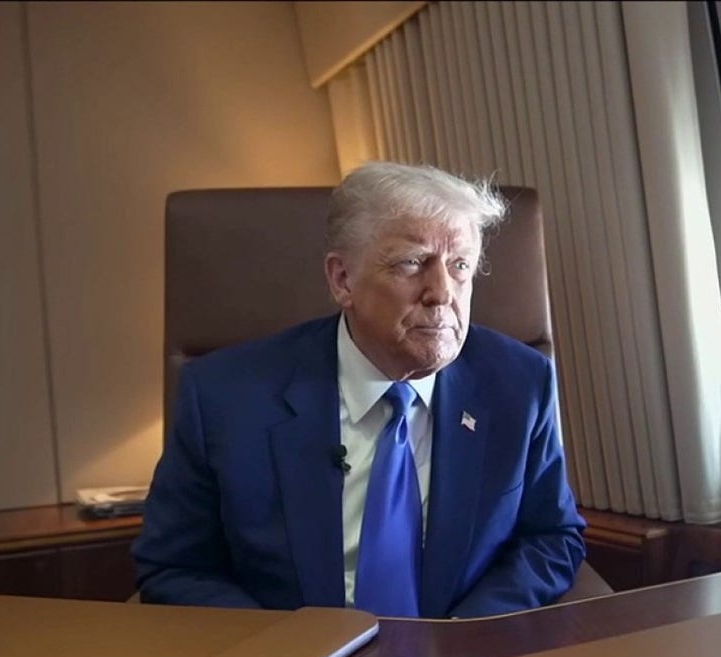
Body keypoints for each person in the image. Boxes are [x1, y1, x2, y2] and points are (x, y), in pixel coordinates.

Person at [132, 161, 586, 619]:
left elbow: (551, 538)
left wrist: (464, 637)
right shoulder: (224, 396)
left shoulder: (518, 383)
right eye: (412, 263)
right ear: (342, 280)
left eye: (460, 265)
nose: (443, 292)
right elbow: (175, 567)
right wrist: (281, 652)